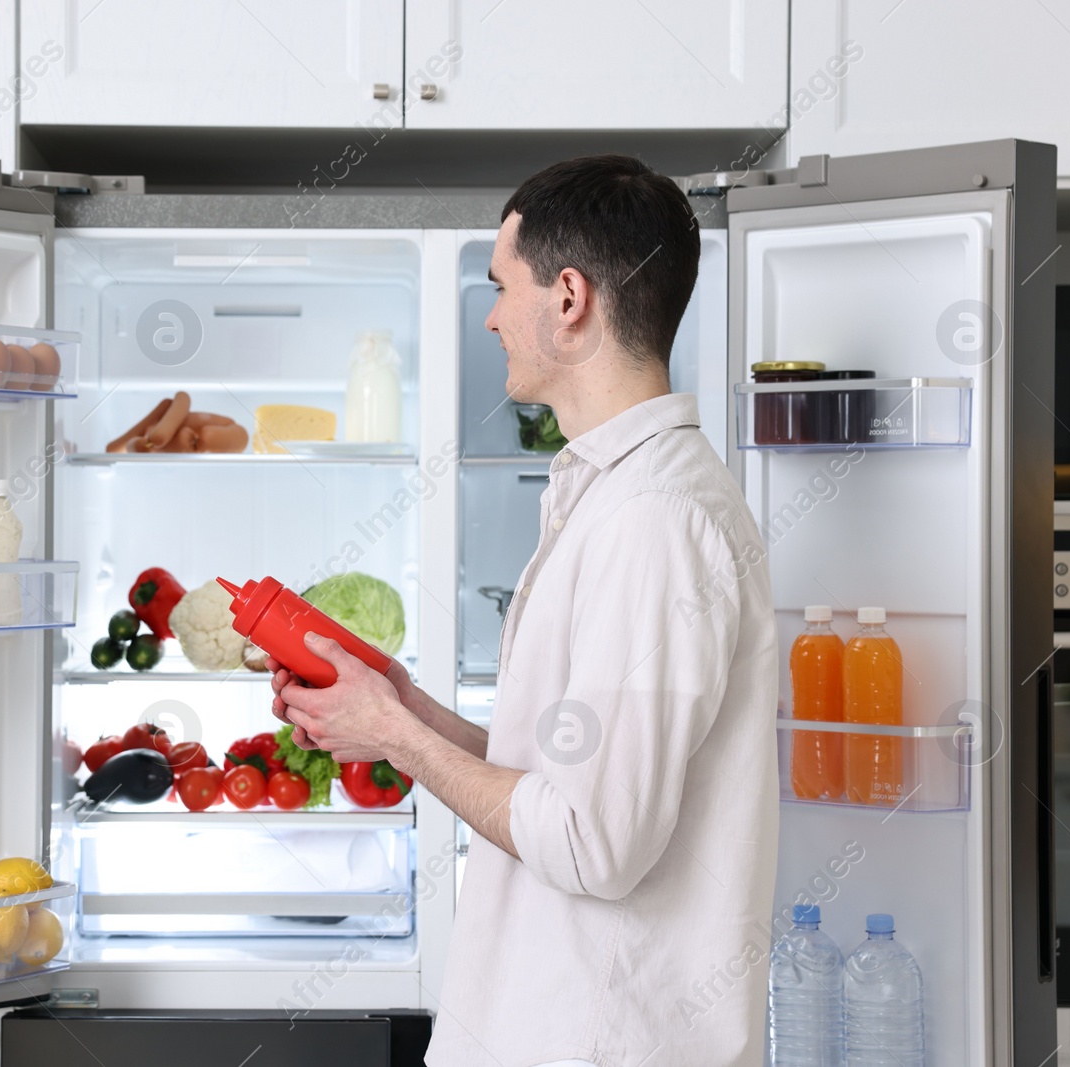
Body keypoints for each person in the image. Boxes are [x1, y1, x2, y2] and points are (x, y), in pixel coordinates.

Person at [270, 155, 778, 1066]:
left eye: (504, 287)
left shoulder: (654, 521)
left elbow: (594, 843)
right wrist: (401, 710)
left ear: (570, 297)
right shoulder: (614, 491)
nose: (495, 314)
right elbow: (559, 779)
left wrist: (396, 732)